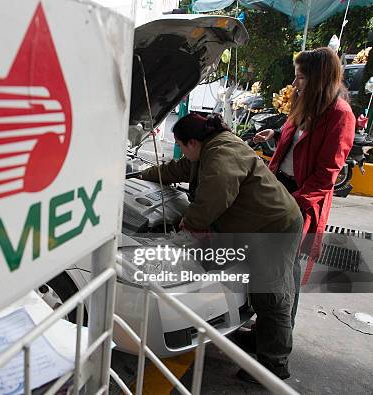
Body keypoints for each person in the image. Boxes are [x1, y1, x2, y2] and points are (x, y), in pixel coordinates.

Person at [139, 113, 303, 382]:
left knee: (272, 294)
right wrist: (144, 174)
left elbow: (214, 195)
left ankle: (274, 365)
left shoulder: (221, 153)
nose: (181, 150)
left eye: (180, 145)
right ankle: (261, 339)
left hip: (274, 228)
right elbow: (177, 169)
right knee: (261, 289)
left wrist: (188, 223)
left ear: (192, 142)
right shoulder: (207, 148)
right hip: (257, 226)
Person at [254, 47, 356, 324]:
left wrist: (293, 204)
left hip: (301, 200)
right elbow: (299, 142)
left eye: (301, 77)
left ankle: (276, 349)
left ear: (320, 78)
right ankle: (266, 331)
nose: (295, 83)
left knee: (285, 272)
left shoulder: (340, 114)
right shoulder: (306, 103)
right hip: (281, 190)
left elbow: (326, 175)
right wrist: (275, 133)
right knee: (268, 267)